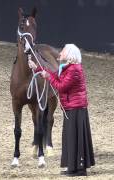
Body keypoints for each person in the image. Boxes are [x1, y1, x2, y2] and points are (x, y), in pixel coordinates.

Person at [28, 44, 95, 176]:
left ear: (69, 54)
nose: (61, 52)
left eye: (63, 50)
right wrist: (37, 69)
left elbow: (61, 86)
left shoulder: (74, 70)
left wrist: (48, 76)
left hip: (75, 108)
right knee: (71, 138)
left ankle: (78, 169)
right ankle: (74, 167)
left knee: (74, 137)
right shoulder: (68, 68)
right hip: (72, 107)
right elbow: (55, 76)